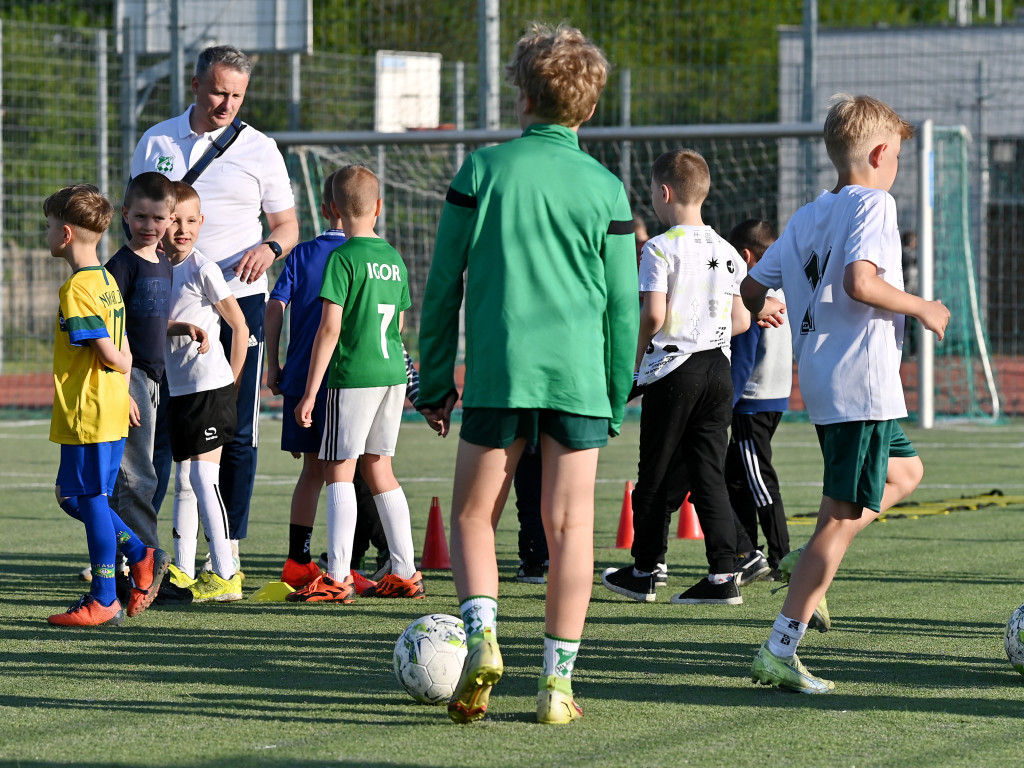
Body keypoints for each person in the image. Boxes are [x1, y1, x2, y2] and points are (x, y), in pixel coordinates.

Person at [416, 23, 639, 725]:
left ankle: (483, 641)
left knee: (473, 516)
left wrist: (432, 379)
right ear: (591, 105)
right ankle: (557, 688)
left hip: (498, 372)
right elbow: (624, 308)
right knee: (572, 529)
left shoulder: (481, 172)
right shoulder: (606, 188)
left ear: (521, 96)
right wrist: (614, 392)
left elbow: (442, 283)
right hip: (578, 378)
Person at [742, 94, 950, 693]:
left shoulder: (810, 214)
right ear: (882, 153)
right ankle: (780, 647)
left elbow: (754, 283)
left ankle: (804, 560)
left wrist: (767, 310)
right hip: (862, 384)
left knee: (905, 473)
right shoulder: (875, 204)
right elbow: (862, 283)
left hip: (833, 381)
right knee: (841, 518)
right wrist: (924, 308)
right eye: (897, 160)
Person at [131, 44, 299, 570]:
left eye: (238, 95)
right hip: (165, 300)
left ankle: (229, 548)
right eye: (220, 92)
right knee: (157, 428)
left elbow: (288, 226)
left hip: (236, 303)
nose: (228, 104)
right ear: (196, 83)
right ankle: (141, 548)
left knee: (237, 430)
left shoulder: (261, 148)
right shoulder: (157, 139)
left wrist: (269, 248)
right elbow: (137, 213)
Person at [601, 149, 753, 607]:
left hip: (674, 368)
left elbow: (653, 313)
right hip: (719, 370)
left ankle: (646, 570)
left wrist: (631, 358)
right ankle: (724, 575)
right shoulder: (727, 251)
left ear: (664, 193)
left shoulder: (660, 248)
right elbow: (742, 320)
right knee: (708, 473)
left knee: (655, 473)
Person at [266, 170, 418, 590]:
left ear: (331, 209)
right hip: (391, 375)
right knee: (380, 469)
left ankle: (335, 575)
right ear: (379, 207)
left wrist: (310, 392)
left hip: (353, 376)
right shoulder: (393, 257)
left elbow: (328, 330)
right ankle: (406, 571)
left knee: (337, 471)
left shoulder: (342, 258)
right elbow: (399, 325)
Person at [44, 184, 169, 626]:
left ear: (64, 234)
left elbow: (111, 351)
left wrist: (118, 370)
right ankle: (139, 552)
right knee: (71, 494)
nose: (46, 233)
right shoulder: (106, 280)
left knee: (90, 497)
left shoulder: (77, 288)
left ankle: (104, 597)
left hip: (89, 409)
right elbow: (125, 344)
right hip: (105, 404)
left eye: (48, 225)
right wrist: (123, 386)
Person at [160, 181, 249, 603]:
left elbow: (241, 327)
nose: (183, 228)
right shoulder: (157, 270)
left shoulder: (203, 268)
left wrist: (230, 382)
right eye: (174, 219)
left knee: (202, 475)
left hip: (210, 389)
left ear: (201, 223)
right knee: (184, 478)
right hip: (180, 392)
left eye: (191, 220)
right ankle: (182, 567)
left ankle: (227, 573)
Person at [103, 173, 176, 558]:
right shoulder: (120, 266)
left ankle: (125, 562)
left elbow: (150, 319)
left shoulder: (164, 262)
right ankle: (148, 562)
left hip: (153, 379)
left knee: (135, 475)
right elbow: (112, 331)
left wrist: (181, 328)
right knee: (137, 477)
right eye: (141, 217)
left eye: (158, 218)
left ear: (171, 218)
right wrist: (123, 388)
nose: (149, 226)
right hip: (129, 378)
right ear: (125, 215)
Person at [724, 218, 791, 582]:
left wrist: (728, 402)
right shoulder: (785, 284)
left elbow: (746, 353)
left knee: (759, 480)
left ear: (745, 255)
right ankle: (747, 552)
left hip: (753, 400)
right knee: (736, 476)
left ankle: (781, 557)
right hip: (774, 395)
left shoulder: (752, 291)